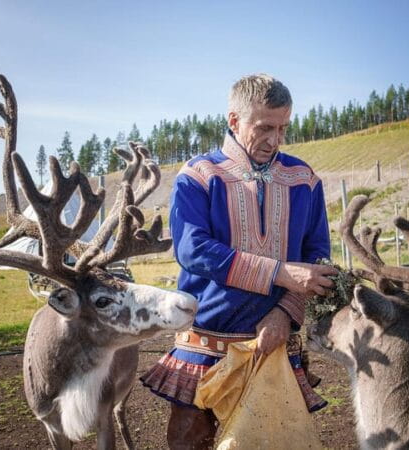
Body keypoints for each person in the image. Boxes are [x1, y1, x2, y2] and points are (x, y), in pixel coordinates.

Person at [141, 73, 338, 449]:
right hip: (205, 344)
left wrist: (284, 314)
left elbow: (318, 259)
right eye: (264, 127)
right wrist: (280, 272)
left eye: (283, 128)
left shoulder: (304, 179)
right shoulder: (198, 176)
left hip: (275, 345)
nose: (274, 140)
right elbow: (192, 249)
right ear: (234, 120)